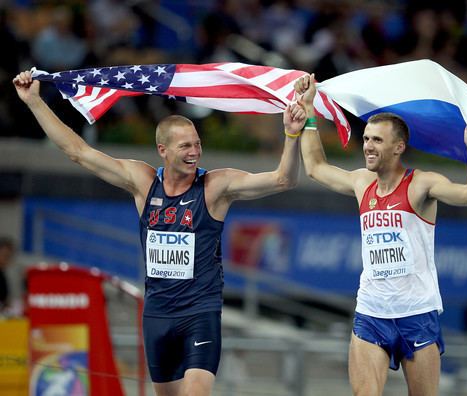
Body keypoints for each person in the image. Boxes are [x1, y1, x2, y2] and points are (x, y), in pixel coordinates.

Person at [13, 70, 306, 396]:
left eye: (197, 143)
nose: (195, 151)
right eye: (185, 146)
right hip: (157, 315)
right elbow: (78, 152)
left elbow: (284, 180)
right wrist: (35, 102)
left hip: (200, 313)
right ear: (162, 150)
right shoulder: (142, 181)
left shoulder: (214, 187)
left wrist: (293, 136)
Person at [294, 74, 467, 396]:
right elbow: (314, 167)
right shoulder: (361, 183)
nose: (368, 146)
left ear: (399, 147)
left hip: (416, 312)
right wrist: (309, 110)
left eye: (377, 141)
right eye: (367, 139)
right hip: (372, 311)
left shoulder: (422, 184)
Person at [0, 236, 16, 314]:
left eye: (10, 256)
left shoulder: (3, 275)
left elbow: (6, 301)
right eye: (5, 256)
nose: (8, 260)